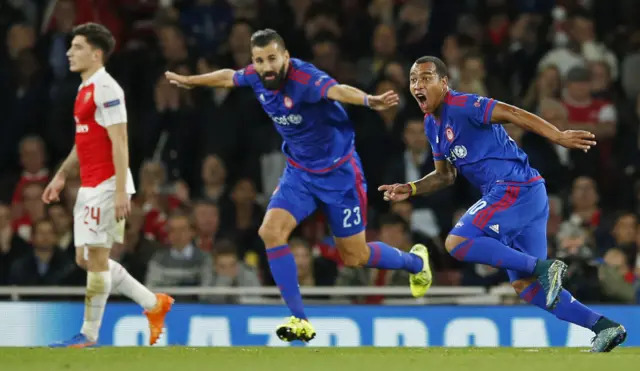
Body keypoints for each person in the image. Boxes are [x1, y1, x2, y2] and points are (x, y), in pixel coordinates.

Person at [165, 29, 432, 343]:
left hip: (340, 175)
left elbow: (336, 90)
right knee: (270, 232)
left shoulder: (304, 78)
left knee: (355, 256)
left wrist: (368, 100)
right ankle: (299, 318)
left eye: (272, 59)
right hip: (300, 174)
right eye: (259, 60)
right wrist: (191, 81)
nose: (266, 66)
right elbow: (229, 76)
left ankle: (416, 261)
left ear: (286, 57)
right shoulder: (256, 76)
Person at [379, 56, 626, 353]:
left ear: (444, 84)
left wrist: (557, 135)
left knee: (457, 241)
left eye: (426, 77)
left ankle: (545, 267)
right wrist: (412, 187)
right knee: (528, 287)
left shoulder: (463, 104)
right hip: (525, 195)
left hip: (513, 188)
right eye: (413, 79)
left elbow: (511, 113)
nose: (418, 84)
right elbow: (445, 176)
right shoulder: (432, 125)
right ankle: (605, 327)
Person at [42, 23, 173, 348]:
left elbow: (120, 140)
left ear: (96, 53)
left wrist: (117, 190)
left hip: (106, 184)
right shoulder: (84, 88)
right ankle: (154, 304)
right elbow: (83, 142)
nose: (70, 52)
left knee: (97, 260)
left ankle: (88, 334)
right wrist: (61, 175)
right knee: (85, 260)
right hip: (90, 184)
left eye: (77, 47)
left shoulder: (107, 88)